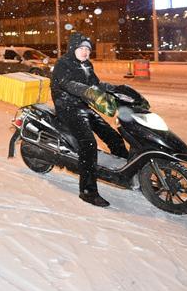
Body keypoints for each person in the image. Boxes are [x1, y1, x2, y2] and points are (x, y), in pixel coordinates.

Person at [51, 32, 129, 208]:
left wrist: (117, 90)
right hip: (67, 108)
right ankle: (88, 191)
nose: (85, 52)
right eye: (82, 48)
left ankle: (125, 175)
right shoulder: (63, 64)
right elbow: (67, 84)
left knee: (114, 137)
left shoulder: (87, 65)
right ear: (73, 48)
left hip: (82, 107)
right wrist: (87, 91)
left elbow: (96, 85)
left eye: (87, 49)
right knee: (89, 144)